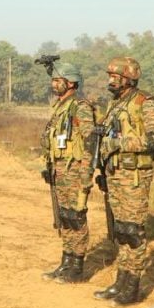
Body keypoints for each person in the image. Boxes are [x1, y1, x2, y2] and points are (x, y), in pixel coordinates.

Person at [91, 56, 154, 306]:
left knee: (133, 232)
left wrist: (120, 143)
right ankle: (121, 281)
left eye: (116, 76)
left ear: (129, 78)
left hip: (134, 176)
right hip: (115, 175)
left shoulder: (144, 103)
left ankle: (132, 287)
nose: (111, 81)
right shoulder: (116, 104)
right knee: (122, 230)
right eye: (110, 76)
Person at [39, 62, 96, 284]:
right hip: (60, 169)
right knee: (64, 216)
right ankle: (66, 261)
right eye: (53, 80)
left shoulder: (80, 106)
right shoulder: (60, 106)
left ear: (71, 83)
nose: (53, 84)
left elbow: (90, 142)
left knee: (76, 216)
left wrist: (86, 174)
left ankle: (77, 267)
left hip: (75, 170)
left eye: (58, 80)